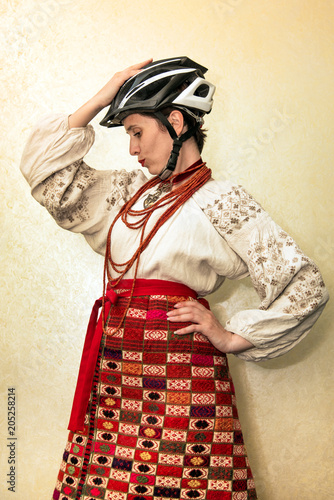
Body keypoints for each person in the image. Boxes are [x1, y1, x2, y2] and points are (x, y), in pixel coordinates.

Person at [20, 57, 328, 500]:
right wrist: (105, 94)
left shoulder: (222, 201)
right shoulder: (127, 195)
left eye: (136, 132)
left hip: (185, 369)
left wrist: (229, 336)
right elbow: (47, 174)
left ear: (176, 121)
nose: (131, 149)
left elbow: (305, 285)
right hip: (116, 366)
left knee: (190, 485)